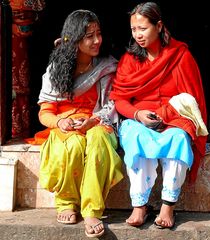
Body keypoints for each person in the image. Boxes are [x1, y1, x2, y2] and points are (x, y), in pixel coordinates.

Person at [110, 2, 208, 229]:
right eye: (134, 30)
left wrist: (165, 114)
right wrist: (137, 114)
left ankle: (168, 206)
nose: (137, 35)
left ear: (159, 26)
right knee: (135, 136)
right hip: (139, 118)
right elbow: (120, 99)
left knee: (179, 137)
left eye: (142, 28)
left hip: (174, 117)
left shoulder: (180, 55)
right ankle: (139, 205)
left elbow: (190, 100)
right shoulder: (130, 59)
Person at [30, 9, 123, 238]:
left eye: (98, 34)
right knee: (72, 144)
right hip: (65, 126)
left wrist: (93, 121)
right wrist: (60, 122)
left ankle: (92, 209)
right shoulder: (55, 70)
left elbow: (112, 107)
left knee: (99, 139)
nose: (96, 40)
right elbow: (45, 112)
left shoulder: (107, 67)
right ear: (74, 38)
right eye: (89, 36)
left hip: (98, 121)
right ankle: (66, 202)